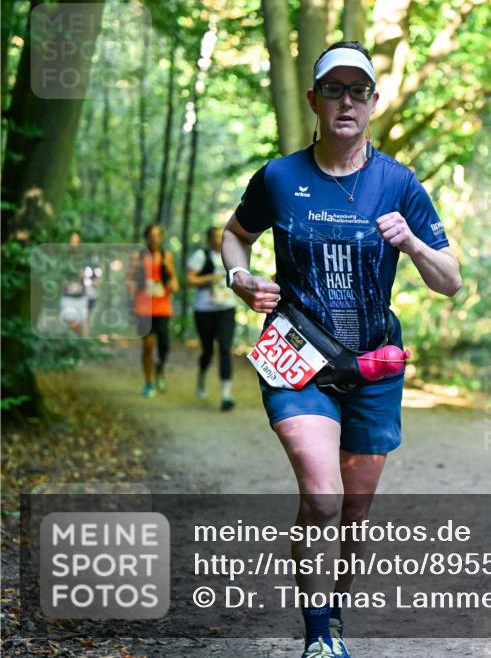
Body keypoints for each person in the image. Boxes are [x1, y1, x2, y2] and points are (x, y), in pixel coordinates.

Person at [222, 41, 461, 658]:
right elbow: (235, 236)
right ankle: (318, 637)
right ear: (314, 100)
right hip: (296, 358)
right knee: (322, 494)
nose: (346, 102)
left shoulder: (399, 183)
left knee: (352, 514)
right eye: (334, 90)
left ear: (374, 102)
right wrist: (239, 278)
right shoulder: (279, 177)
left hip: (373, 365)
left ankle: (334, 614)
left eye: (358, 91)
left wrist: (412, 244)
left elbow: (450, 280)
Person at [186, 225, 238, 410]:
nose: (220, 239)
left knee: (225, 348)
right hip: (204, 310)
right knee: (207, 350)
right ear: (209, 240)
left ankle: (226, 395)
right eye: (216, 237)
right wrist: (211, 278)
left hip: (226, 308)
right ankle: (201, 378)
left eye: (221, 236)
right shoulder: (201, 256)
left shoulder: (231, 255)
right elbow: (189, 280)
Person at [129, 223, 178, 398]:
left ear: (161, 238)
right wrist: (132, 288)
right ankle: (149, 383)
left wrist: (170, 280)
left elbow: (174, 283)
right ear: (146, 237)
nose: (154, 239)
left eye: (157, 235)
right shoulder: (138, 256)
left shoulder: (166, 256)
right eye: (151, 235)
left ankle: (160, 367)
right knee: (148, 346)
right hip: (143, 308)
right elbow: (129, 279)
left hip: (162, 308)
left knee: (164, 346)